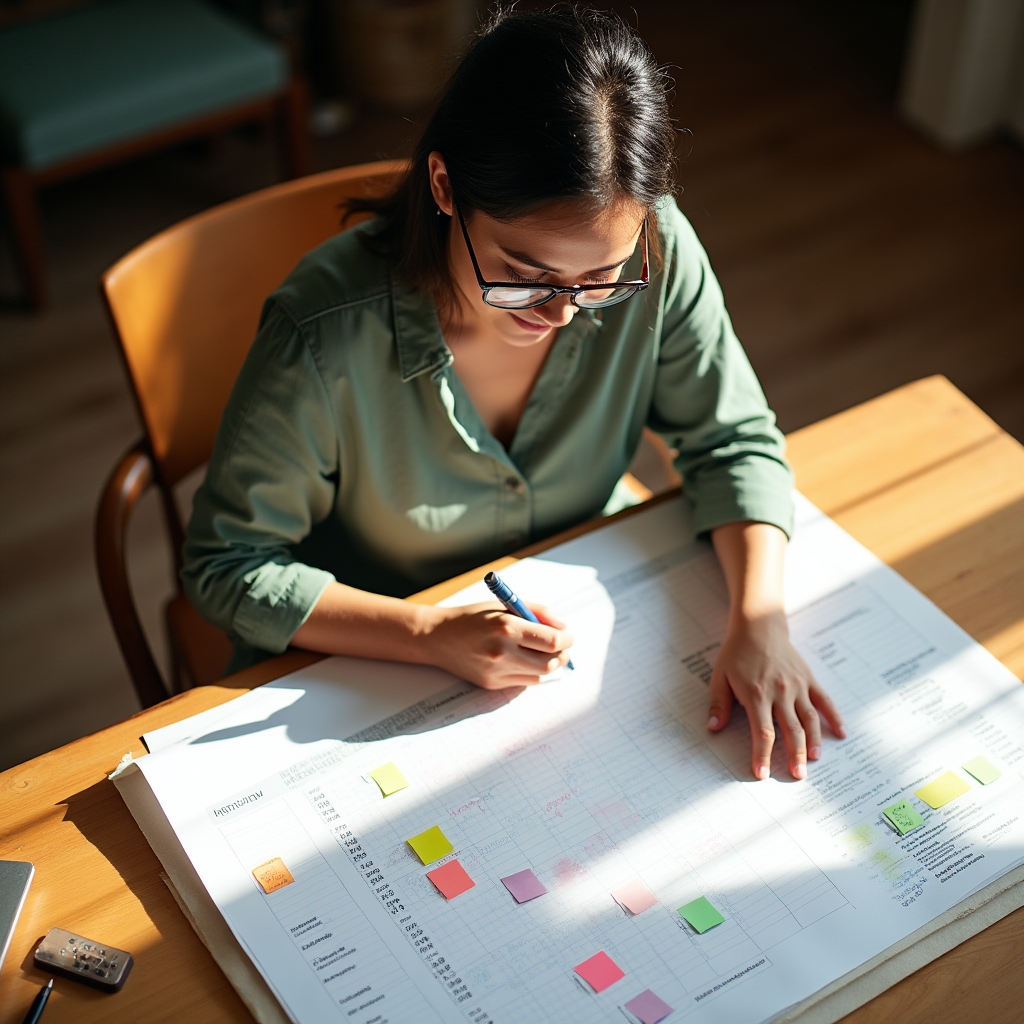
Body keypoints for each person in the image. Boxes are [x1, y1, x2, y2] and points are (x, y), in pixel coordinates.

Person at [182, 6, 845, 781]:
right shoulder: (324, 334)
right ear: (443, 185)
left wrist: (760, 621)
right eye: (524, 275)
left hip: (577, 636)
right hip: (365, 673)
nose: (563, 312)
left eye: (601, 281)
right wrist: (426, 634)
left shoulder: (659, 253)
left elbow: (732, 441)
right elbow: (227, 565)